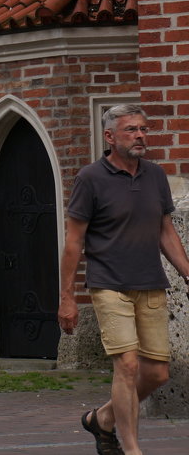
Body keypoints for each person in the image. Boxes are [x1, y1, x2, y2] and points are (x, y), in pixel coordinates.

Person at [58, 103, 189, 455]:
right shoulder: (90, 178)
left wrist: (188, 274)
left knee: (157, 374)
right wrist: (67, 297)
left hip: (150, 282)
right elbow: (73, 242)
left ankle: (102, 419)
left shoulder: (155, 175)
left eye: (143, 129)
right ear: (110, 136)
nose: (140, 135)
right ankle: (131, 449)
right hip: (108, 284)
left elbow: (166, 232)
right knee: (128, 365)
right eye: (131, 129)